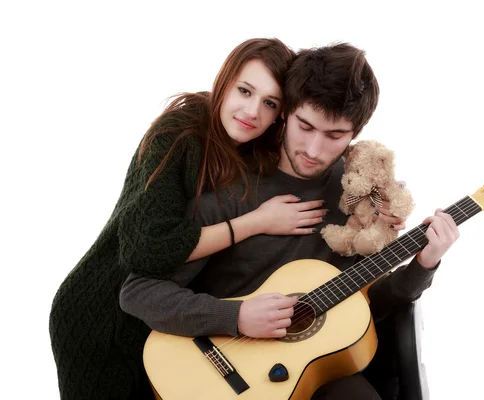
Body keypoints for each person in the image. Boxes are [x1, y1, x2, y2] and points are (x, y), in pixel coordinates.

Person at [120, 42, 460, 399]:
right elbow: (140, 292)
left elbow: (371, 304)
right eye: (305, 126)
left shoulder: (356, 195)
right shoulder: (230, 190)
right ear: (284, 112)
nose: (314, 150)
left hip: (313, 370)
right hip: (225, 372)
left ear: (355, 134)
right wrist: (233, 316)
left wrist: (424, 263)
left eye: (334, 135)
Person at [48, 37, 333, 400]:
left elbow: (315, 148)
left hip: (168, 327)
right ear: (225, 80)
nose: (251, 111)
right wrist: (257, 222)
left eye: (269, 102)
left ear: (281, 113)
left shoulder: (256, 145)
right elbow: (146, 248)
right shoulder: (179, 134)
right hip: (98, 314)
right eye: (244, 91)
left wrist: (371, 188)